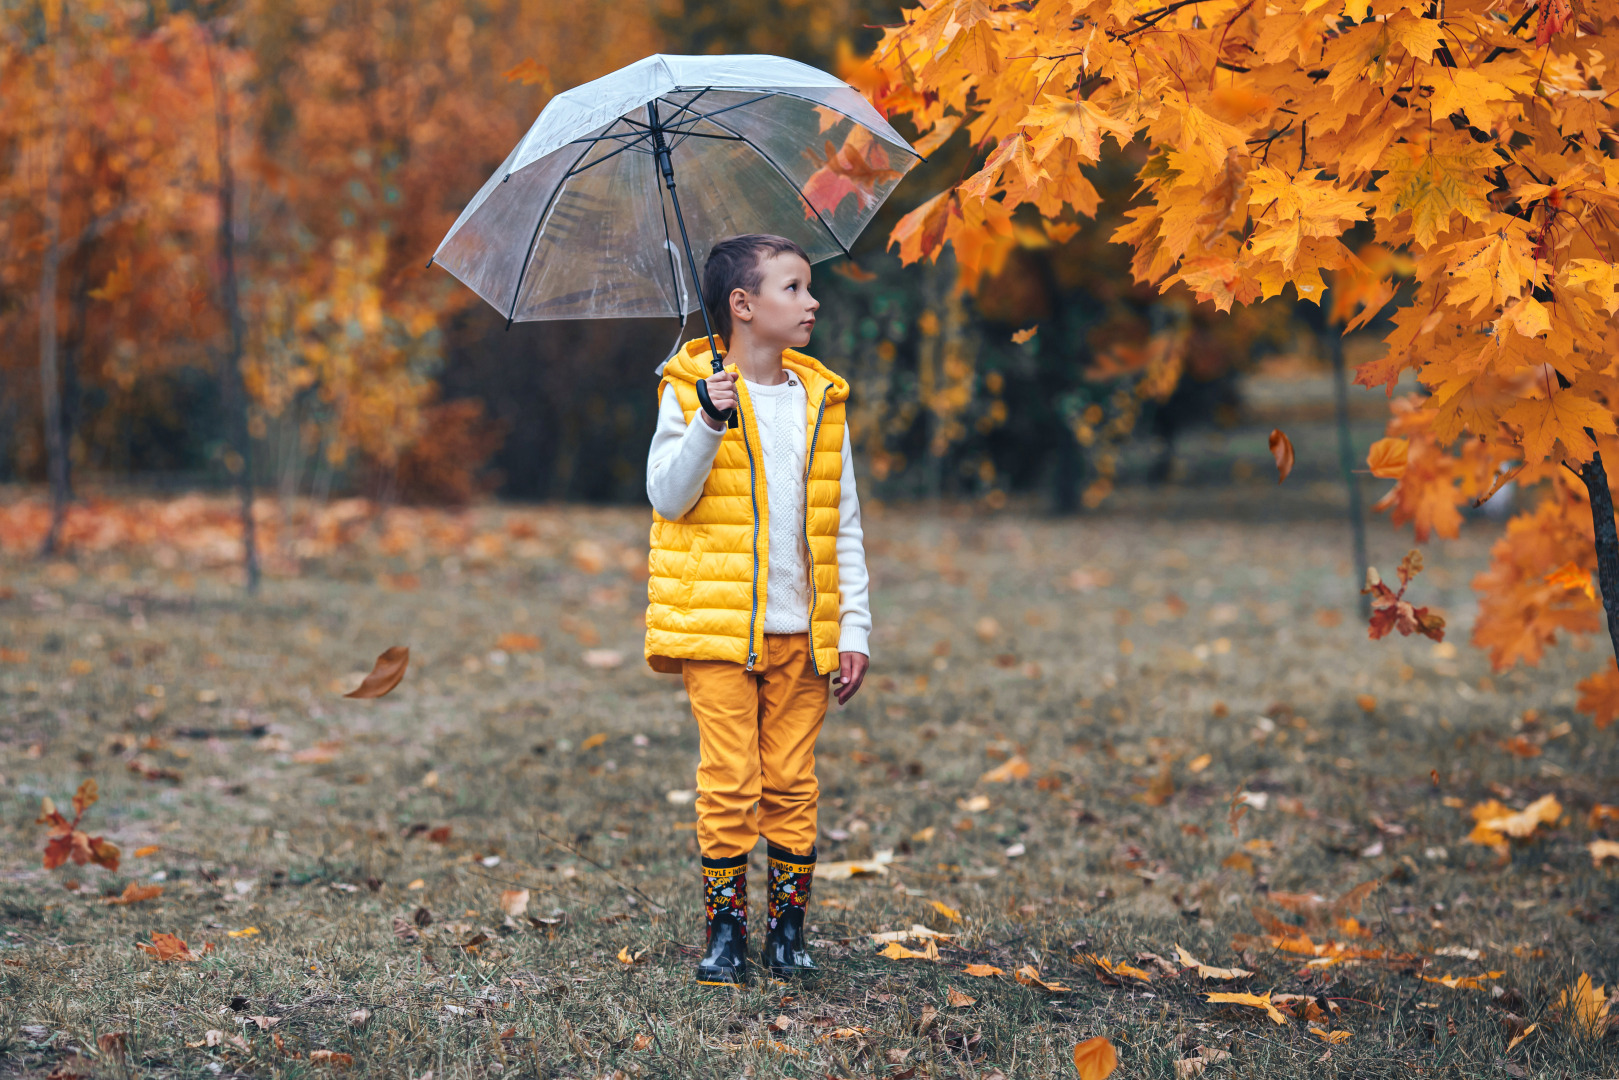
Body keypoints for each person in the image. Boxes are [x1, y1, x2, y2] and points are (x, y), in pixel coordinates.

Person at [644, 234, 871, 986]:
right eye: (794, 288)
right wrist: (709, 421)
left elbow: (842, 525)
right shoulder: (688, 390)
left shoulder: (819, 400)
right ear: (742, 306)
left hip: (802, 633)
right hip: (717, 633)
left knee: (791, 783)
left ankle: (788, 933)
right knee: (730, 780)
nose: (811, 302)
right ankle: (725, 935)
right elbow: (667, 499)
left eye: (808, 288)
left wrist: (853, 630)